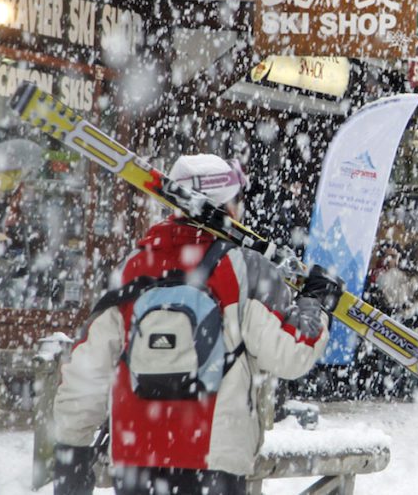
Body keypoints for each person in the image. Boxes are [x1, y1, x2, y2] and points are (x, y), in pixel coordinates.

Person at [52, 153, 341, 495]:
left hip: (136, 459)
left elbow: (87, 372)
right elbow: (291, 354)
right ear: (227, 206)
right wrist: (316, 301)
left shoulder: (133, 266)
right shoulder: (244, 268)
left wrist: (72, 455)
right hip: (213, 461)